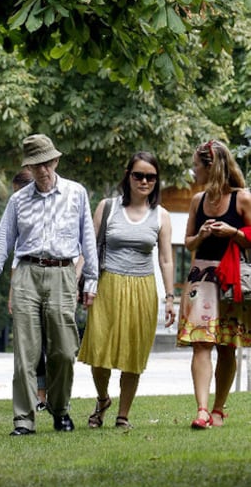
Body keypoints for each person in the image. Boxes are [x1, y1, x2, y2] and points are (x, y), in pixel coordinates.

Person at [0, 134, 98, 435]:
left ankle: (60, 409)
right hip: (27, 272)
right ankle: (24, 419)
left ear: (55, 160)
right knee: (25, 353)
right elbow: (2, 241)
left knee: (64, 351)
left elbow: (87, 238)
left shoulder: (76, 193)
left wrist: (91, 279)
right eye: (35, 165)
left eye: (46, 163)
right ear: (28, 167)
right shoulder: (18, 200)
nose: (42, 170)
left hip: (63, 273)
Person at [78, 151, 175, 429]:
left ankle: (123, 415)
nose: (144, 181)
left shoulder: (162, 216)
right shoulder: (107, 207)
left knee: (133, 353)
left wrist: (169, 298)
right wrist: (77, 280)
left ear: (156, 180)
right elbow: (89, 249)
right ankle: (102, 398)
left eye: (151, 177)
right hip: (108, 285)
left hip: (142, 287)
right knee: (99, 350)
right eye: (139, 175)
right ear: (128, 176)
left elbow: (166, 259)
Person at [177, 139, 251, 429]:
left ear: (210, 167)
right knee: (201, 343)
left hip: (231, 279)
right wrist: (203, 236)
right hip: (201, 278)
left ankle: (219, 409)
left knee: (226, 346)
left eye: (196, 165)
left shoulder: (242, 198)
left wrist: (233, 231)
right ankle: (203, 411)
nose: (193, 170)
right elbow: (188, 243)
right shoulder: (198, 201)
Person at [9, 169, 47, 411]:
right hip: (26, 282)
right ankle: (38, 396)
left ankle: (52, 395)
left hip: (54, 282)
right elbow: (16, 258)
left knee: (53, 345)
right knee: (32, 345)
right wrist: (13, 295)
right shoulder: (20, 216)